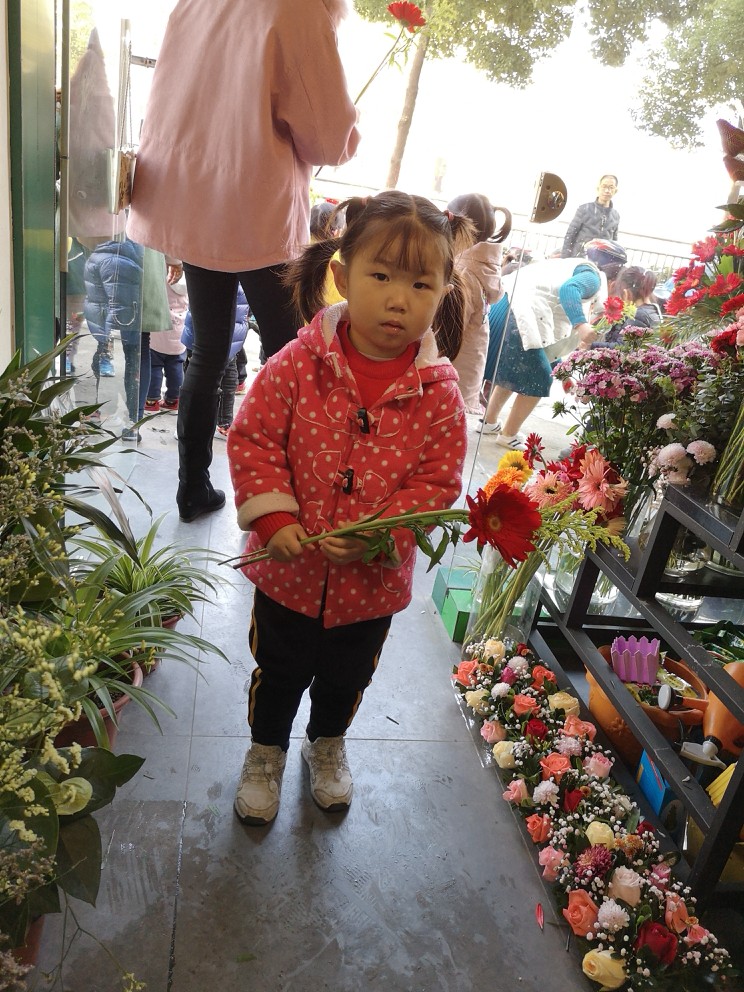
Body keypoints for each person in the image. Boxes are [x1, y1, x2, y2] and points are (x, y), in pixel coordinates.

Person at [227, 190, 470, 825]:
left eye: (420, 284)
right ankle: (265, 751)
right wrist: (274, 518)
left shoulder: (439, 395)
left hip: (370, 586)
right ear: (341, 274)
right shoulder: (296, 364)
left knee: (346, 676)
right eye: (381, 276)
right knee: (278, 670)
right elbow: (253, 439)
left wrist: (379, 536)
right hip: (288, 573)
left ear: (443, 292)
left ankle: (327, 744)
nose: (398, 299)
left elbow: (437, 483)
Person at [127, 0, 360, 524]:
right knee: (295, 356)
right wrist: (350, 129)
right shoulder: (299, 8)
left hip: (194, 199)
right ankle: (287, 496)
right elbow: (328, 137)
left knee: (208, 349)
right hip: (257, 206)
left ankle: (193, 487)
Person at [480, 239, 627, 448]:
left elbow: (546, 346)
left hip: (503, 307)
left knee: (513, 372)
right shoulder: (593, 277)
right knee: (539, 379)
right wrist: (581, 325)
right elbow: (569, 290)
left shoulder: (570, 266)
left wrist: (564, 374)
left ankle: (488, 422)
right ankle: (508, 435)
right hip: (518, 315)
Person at [446, 193, 511, 414]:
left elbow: (447, 335)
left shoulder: (463, 272)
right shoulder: (482, 266)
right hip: (466, 371)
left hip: (450, 375)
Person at [181, 287, 251, 438]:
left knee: (197, 372)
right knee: (227, 373)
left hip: (205, 330)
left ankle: (190, 425)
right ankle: (224, 422)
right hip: (231, 331)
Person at [590, 265, 662, 348]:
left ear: (625, 293)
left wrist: (590, 345)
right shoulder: (652, 310)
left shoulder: (639, 315)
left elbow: (623, 347)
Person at [146, 279, 190, 412]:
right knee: (176, 366)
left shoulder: (163, 275)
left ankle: (151, 400)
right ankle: (173, 400)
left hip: (160, 326)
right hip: (179, 328)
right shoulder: (186, 278)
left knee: (154, 365)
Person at [561, 176, 620, 258]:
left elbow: (614, 242)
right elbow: (570, 235)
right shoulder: (584, 209)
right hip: (580, 258)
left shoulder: (616, 215)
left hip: (601, 262)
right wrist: (565, 258)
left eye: (611, 187)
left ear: (615, 191)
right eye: (604, 186)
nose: (607, 190)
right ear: (598, 188)